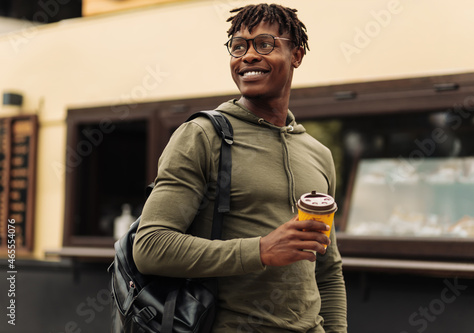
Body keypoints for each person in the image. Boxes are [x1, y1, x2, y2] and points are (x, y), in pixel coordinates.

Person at [133, 3, 347, 332]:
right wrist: (259, 250)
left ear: (297, 56)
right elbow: (151, 246)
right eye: (238, 46)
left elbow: (328, 269)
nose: (247, 56)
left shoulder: (317, 153)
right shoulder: (202, 136)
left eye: (264, 44)